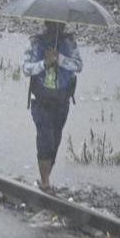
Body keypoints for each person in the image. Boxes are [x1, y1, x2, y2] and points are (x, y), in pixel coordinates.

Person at [22, 20, 82, 192]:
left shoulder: (69, 43)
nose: (56, 27)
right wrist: (45, 63)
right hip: (41, 100)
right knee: (45, 140)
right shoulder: (36, 42)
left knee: (55, 141)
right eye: (52, 25)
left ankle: (46, 176)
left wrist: (59, 59)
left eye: (59, 25)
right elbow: (26, 68)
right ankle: (45, 182)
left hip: (62, 100)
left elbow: (78, 66)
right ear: (47, 24)